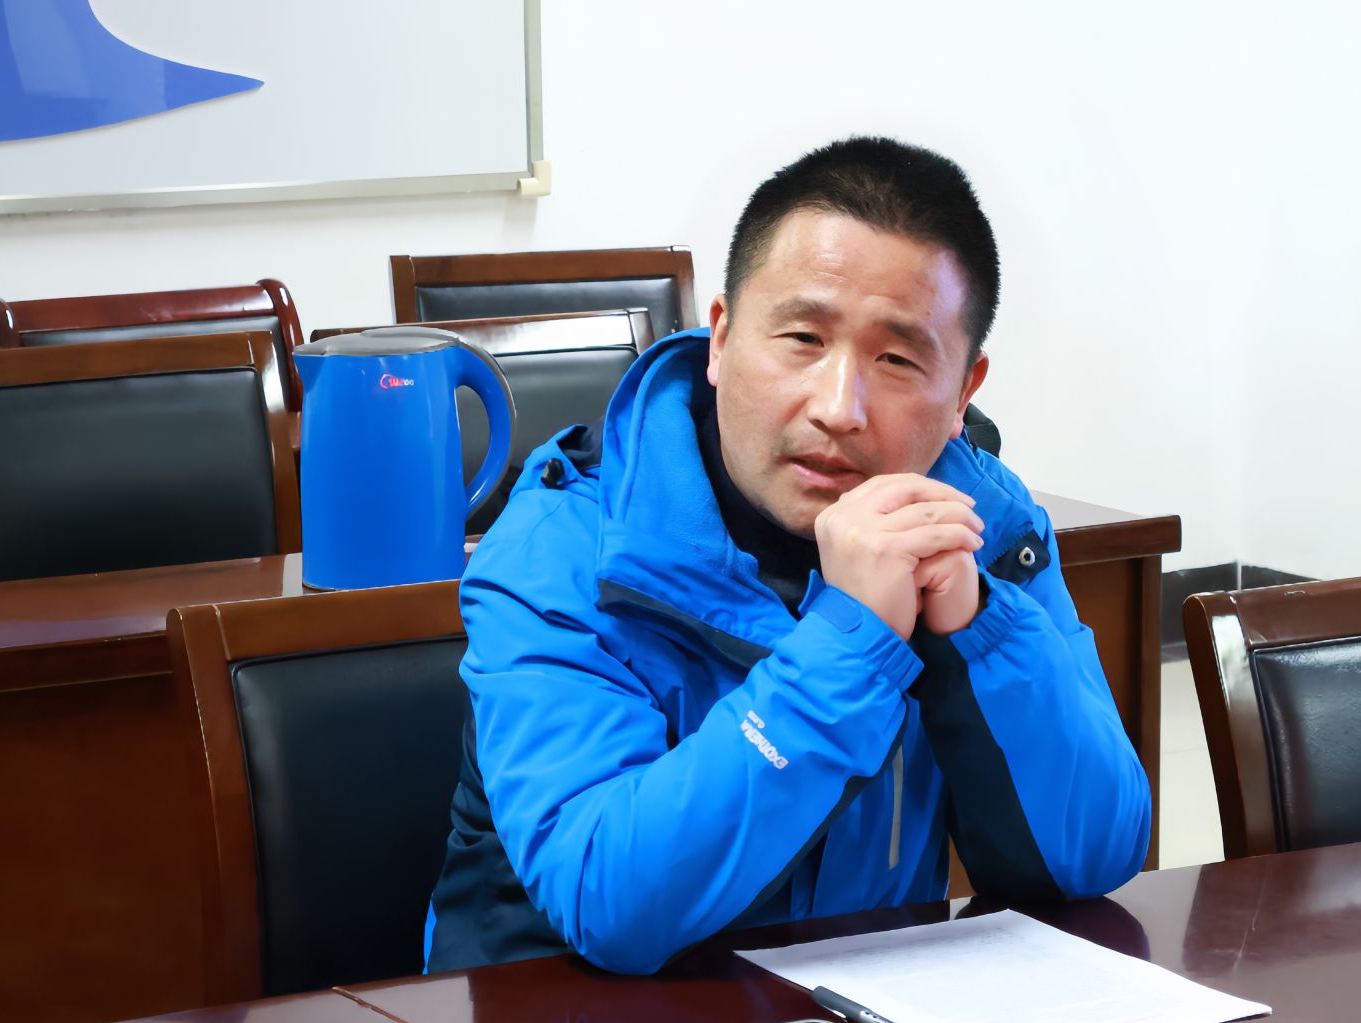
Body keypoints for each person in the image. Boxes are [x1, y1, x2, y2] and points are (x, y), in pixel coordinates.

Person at [424, 136, 1151, 976]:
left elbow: (1095, 857)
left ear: (964, 392)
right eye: (803, 337)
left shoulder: (984, 524)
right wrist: (854, 641)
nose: (839, 407)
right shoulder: (558, 551)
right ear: (721, 338)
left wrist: (976, 633)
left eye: (897, 358)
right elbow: (611, 902)